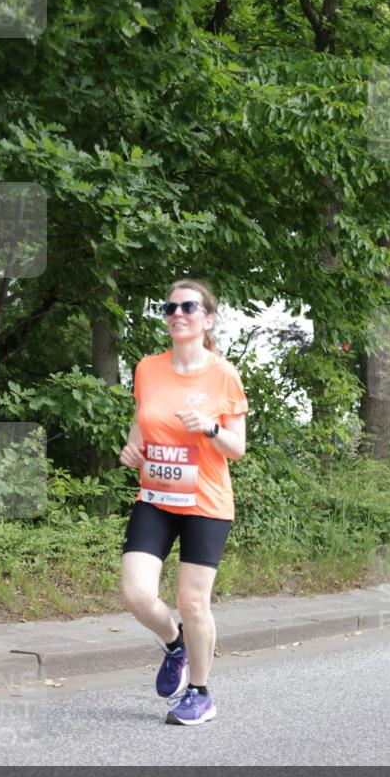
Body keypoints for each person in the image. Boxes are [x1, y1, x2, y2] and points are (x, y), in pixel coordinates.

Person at [119, 279, 248, 725]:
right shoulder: (147, 368)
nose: (177, 313)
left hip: (206, 502)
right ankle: (175, 645)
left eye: (188, 306)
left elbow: (237, 448)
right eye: (169, 306)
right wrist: (131, 448)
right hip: (155, 495)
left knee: (193, 602)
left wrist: (211, 428)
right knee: (136, 593)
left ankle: (200, 693)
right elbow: (143, 422)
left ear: (206, 319)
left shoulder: (223, 374)